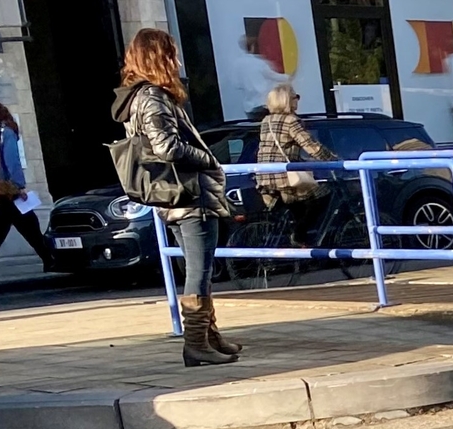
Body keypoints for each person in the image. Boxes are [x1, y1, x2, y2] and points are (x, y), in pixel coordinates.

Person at [111, 27, 238, 365]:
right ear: (159, 57)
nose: (177, 60)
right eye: (172, 54)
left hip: (172, 197)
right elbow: (166, 146)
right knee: (199, 271)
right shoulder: (153, 96)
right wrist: (207, 158)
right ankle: (196, 343)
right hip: (190, 194)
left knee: (200, 269)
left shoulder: (135, 97)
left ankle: (209, 337)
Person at [0, 101, 55, 279]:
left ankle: (48, 258)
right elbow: (12, 161)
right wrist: (17, 185)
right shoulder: (7, 133)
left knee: (17, 222)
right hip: (10, 188)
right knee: (22, 224)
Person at [256, 85, 333, 248]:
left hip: (264, 175)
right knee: (322, 196)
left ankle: (298, 238)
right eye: (295, 96)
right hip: (283, 176)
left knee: (297, 204)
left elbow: (277, 149)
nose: (297, 100)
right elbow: (310, 145)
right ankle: (298, 236)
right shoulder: (291, 120)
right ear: (286, 100)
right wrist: (332, 159)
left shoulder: (266, 121)